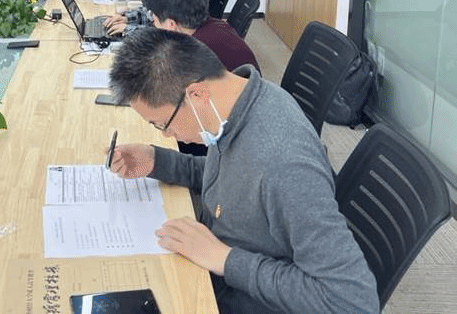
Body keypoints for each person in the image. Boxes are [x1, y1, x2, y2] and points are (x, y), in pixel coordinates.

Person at [107, 29, 379, 314]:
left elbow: (352, 301)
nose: (165, 134)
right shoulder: (237, 101)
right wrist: (158, 161)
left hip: (239, 297)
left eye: (162, 124)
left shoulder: (284, 166)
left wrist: (224, 259)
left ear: (197, 94)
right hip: (211, 266)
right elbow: (234, 179)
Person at [145, 0, 259, 72]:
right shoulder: (215, 24)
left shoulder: (193, 52)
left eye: (154, 18)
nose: (153, 23)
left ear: (171, 24)